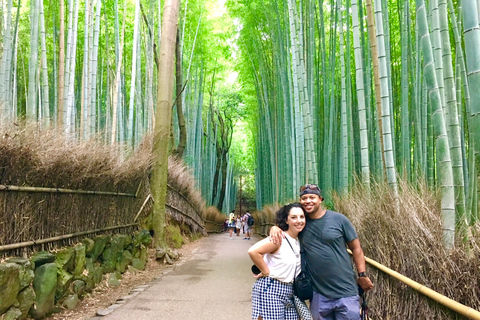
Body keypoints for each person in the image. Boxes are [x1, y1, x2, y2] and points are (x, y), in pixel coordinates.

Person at [270, 184, 374, 320]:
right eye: (304, 198)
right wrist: (275, 228)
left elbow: (356, 248)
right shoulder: (300, 223)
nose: (308, 201)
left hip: (346, 290)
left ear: (320, 199)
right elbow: (283, 232)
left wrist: (362, 274)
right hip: (318, 294)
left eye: (312, 197)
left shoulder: (339, 219)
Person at [248, 203, 306, 320]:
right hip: (272, 288)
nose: (299, 221)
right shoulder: (279, 238)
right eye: (293, 217)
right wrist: (265, 271)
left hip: (291, 291)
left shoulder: (300, 240)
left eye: (302, 217)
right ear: (286, 220)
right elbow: (253, 251)